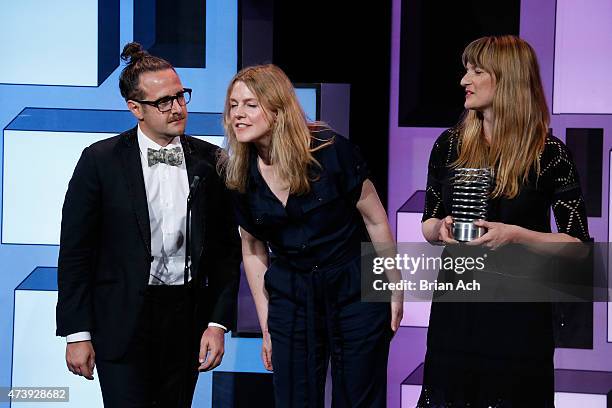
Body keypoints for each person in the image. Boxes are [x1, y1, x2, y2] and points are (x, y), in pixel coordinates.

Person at [55, 42, 241, 407]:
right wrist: (77, 333)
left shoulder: (210, 161)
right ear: (135, 109)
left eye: (180, 96)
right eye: (163, 102)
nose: (177, 108)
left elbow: (226, 252)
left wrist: (217, 324)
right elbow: (76, 253)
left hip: (186, 321)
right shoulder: (100, 161)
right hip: (121, 322)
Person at [418, 35, 591, 407]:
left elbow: (577, 246)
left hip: (518, 314)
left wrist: (516, 236)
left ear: (508, 79)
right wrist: (440, 229)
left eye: (477, 71)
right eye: (466, 70)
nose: (464, 80)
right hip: (456, 310)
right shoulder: (448, 145)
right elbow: (428, 222)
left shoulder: (549, 153)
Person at [220, 64, 403, 407]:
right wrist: (267, 324)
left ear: (277, 109)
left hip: (355, 289)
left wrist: (394, 286)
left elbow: (376, 221)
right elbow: (253, 248)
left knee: (359, 398)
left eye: (249, 105)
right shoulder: (238, 174)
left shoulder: (332, 150)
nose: (237, 116)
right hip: (292, 296)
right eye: (233, 105)